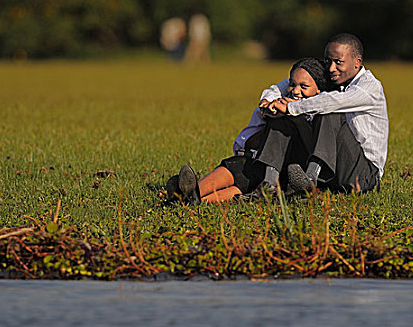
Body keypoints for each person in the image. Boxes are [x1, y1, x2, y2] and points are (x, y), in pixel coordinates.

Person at [166, 58, 334, 204]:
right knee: (241, 168)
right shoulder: (277, 103)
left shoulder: (321, 111)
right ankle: (190, 197)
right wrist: (269, 109)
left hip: (289, 171)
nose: (296, 91)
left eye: (304, 86)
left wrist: (293, 113)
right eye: (292, 84)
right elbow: (251, 137)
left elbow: (312, 147)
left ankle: (184, 196)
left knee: (249, 174)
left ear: (319, 89)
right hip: (264, 165)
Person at [251, 33, 388, 195]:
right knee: (285, 117)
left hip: (362, 174)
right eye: (328, 61)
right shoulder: (336, 76)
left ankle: (310, 180)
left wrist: (291, 106)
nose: (331, 68)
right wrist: (270, 101)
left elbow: (334, 102)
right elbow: (288, 83)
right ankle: (269, 182)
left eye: (338, 62)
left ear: (357, 62)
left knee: (329, 112)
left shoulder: (369, 87)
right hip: (333, 164)